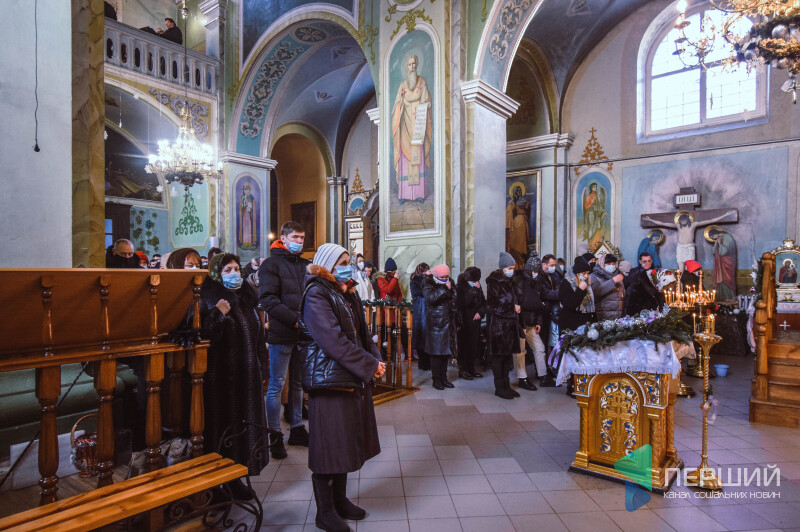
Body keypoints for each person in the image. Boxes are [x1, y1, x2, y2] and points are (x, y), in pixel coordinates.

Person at [299, 243, 385, 532]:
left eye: (348, 261)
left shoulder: (346, 291)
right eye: (343, 262)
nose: (348, 267)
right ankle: (324, 512)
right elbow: (333, 341)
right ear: (327, 265)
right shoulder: (316, 293)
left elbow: (362, 334)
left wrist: (375, 359)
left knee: (344, 442)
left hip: (349, 376)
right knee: (328, 447)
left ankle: (340, 500)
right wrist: (368, 365)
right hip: (328, 380)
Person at [197, 253, 269, 498]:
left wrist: (264, 368)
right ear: (216, 274)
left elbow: (258, 337)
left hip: (248, 374)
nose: (234, 274)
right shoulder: (207, 298)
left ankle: (236, 479)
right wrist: (218, 313)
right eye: (227, 270)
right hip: (221, 377)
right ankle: (216, 484)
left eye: (237, 269)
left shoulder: (246, 298)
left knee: (243, 428)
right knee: (222, 429)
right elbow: (203, 336)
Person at [258, 221, 311, 459]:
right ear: (283, 238)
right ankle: (275, 435)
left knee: (298, 384)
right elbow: (268, 299)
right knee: (276, 385)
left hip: (303, 333)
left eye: (302, 238)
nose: (299, 241)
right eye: (295, 237)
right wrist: (294, 320)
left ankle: (297, 428)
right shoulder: (271, 264)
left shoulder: (305, 265)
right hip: (282, 332)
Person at [391, 55, 432, 204]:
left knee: (417, 159)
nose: (412, 67)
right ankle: (404, 194)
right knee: (405, 161)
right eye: (410, 65)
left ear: (417, 65)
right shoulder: (402, 86)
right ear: (406, 67)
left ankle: (419, 194)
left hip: (418, 127)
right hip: (405, 129)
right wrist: (401, 104)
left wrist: (426, 105)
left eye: (414, 64)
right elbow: (396, 106)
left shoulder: (421, 83)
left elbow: (427, 100)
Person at [487, 252, 522, 400]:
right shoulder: (494, 282)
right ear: (502, 268)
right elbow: (492, 306)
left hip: (510, 326)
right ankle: (500, 387)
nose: (511, 270)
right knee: (499, 358)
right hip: (499, 327)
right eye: (509, 268)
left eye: (513, 268)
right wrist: (511, 307)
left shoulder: (510, 281)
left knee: (507, 358)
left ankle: (507, 386)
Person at [512, 253, 549, 391]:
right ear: (528, 270)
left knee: (539, 348)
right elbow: (518, 306)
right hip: (521, 323)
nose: (536, 273)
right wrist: (520, 325)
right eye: (534, 270)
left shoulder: (536, 282)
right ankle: (522, 378)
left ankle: (543, 375)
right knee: (520, 351)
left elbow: (538, 303)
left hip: (532, 323)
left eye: (537, 271)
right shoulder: (519, 282)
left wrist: (539, 321)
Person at [424, 264, 457, 390]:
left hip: (448, 323)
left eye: (446, 276)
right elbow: (430, 299)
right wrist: (444, 289)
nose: (444, 278)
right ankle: (436, 380)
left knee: (445, 353)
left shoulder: (450, 283)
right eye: (442, 277)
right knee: (436, 354)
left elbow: (455, 302)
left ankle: (444, 378)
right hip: (436, 324)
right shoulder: (429, 284)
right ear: (436, 276)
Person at [456, 266, 486, 380]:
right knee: (464, 347)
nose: (476, 283)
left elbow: (483, 302)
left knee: (473, 347)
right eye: (473, 281)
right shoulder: (460, 287)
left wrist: (480, 313)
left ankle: (471, 369)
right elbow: (463, 303)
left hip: (475, 322)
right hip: (465, 322)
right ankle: (463, 370)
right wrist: (473, 290)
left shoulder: (477, 286)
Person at [559, 257, 596, 333]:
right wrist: (580, 290)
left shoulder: (586, 283)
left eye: (587, 273)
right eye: (583, 273)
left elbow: (590, 305)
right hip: (570, 324)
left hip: (584, 323)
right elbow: (570, 305)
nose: (586, 276)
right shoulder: (566, 283)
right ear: (576, 273)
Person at [537, 254, 562, 358]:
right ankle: (543, 365)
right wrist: (561, 295)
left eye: (555, 265)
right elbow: (544, 293)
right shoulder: (538, 276)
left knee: (552, 340)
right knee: (543, 341)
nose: (553, 267)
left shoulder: (555, 275)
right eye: (551, 265)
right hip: (543, 312)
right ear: (544, 265)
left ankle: (551, 362)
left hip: (554, 312)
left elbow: (560, 286)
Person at [590, 253, 625, 321]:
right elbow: (596, 293)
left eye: (613, 264)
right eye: (609, 264)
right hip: (602, 317)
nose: (612, 266)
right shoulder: (594, 276)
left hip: (618, 317)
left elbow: (623, 295)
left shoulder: (618, 276)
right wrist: (613, 281)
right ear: (602, 263)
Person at [410, 263, 431, 371]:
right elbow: (420, 292)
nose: (427, 272)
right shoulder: (415, 280)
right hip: (420, 311)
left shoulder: (428, 279)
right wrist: (425, 278)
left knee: (427, 337)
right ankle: (422, 362)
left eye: (427, 270)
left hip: (427, 311)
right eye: (425, 270)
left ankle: (427, 362)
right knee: (420, 337)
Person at [709, 227, 738, 300]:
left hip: (727, 262)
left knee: (727, 279)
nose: (713, 238)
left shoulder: (727, 237)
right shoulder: (718, 239)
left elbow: (723, 252)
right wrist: (716, 243)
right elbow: (714, 252)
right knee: (720, 279)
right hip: (720, 263)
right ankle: (720, 297)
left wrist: (720, 244)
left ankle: (729, 297)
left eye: (712, 237)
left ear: (715, 233)